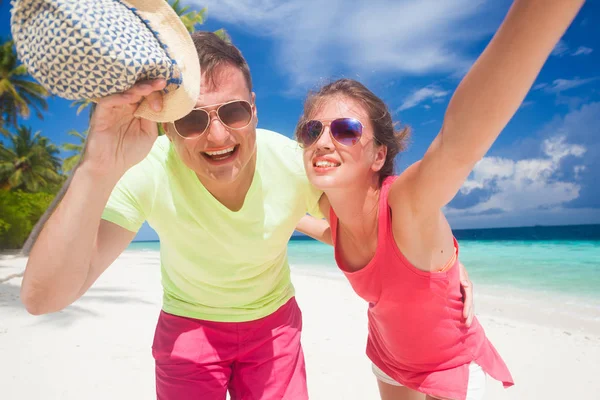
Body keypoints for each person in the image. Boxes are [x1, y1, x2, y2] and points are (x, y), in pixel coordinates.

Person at [21, 32, 474, 399]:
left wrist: (442, 263)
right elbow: (44, 297)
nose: (216, 135)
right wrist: (97, 167)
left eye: (234, 112)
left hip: (274, 329)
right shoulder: (147, 170)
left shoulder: (295, 165)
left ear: (254, 108)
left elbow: (366, 226)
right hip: (187, 328)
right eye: (193, 120)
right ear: (169, 125)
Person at [295, 0, 585, 399]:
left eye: (346, 129)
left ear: (378, 154)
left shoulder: (406, 203)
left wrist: (542, 12)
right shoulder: (335, 213)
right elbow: (338, 237)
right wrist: (284, 217)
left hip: (448, 365)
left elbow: (456, 144)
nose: (324, 141)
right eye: (312, 130)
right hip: (386, 357)